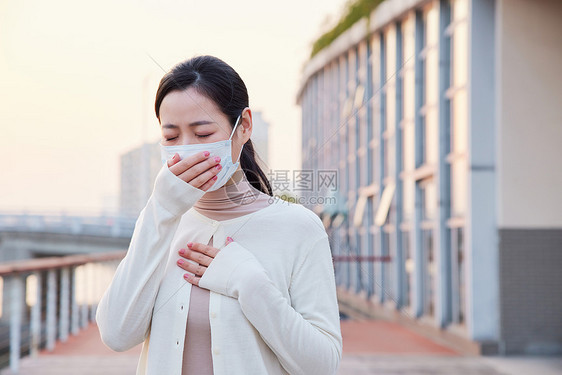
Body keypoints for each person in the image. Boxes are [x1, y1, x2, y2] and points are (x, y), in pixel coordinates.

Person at [96, 55, 342, 375]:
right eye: (171, 137)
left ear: (245, 127)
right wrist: (162, 210)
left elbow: (322, 365)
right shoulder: (160, 224)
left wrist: (249, 282)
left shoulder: (298, 228)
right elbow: (116, 334)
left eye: (202, 134)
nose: (188, 150)